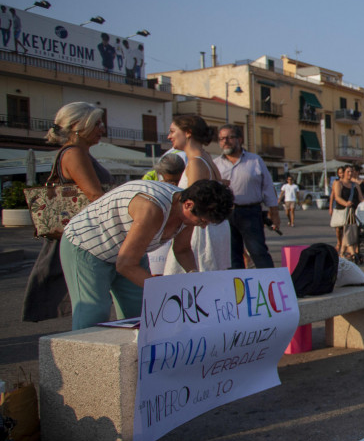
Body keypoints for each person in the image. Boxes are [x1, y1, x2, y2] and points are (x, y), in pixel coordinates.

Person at [60, 179, 234, 330]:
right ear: (189, 205)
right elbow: (126, 265)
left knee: (141, 313)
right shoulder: (152, 209)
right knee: (93, 314)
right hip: (88, 246)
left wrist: (194, 277)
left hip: (129, 252)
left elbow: (182, 249)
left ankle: (132, 363)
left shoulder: (186, 211)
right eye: (203, 221)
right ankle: (83, 366)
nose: (203, 226)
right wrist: (166, 290)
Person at [22, 102, 110, 322]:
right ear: (77, 126)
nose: (102, 128)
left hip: (83, 235)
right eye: (97, 123)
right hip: (85, 238)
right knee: (92, 304)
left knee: (93, 302)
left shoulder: (79, 153)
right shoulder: (74, 154)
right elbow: (95, 195)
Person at [163, 115, 230, 274]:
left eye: (173, 131)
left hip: (199, 228)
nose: (169, 136)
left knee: (193, 277)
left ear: (188, 133)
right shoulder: (206, 157)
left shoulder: (196, 162)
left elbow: (194, 202)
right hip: (213, 226)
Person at [213, 124, 279, 269]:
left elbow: (268, 186)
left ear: (240, 139)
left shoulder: (255, 161)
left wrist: (274, 212)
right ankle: (237, 288)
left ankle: (269, 284)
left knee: (258, 252)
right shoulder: (215, 164)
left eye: (230, 137)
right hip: (224, 215)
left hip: (250, 213)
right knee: (231, 255)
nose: (225, 141)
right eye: (222, 138)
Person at [330, 165, 361, 256]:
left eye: (351, 171)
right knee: (342, 231)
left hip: (353, 212)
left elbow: (361, 198)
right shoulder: (338, 183)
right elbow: (337, 197)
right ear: (343, 173)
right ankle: (345, 249)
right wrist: (346, 203)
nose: (350, 173)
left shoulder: (355, 185)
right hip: (342, 210)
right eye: (348, 171)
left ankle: (344, 252)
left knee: (349, 231)